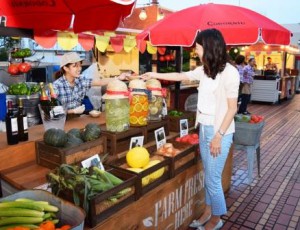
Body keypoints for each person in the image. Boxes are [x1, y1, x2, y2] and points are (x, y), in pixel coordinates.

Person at [141, 29, 240, 230]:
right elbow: (181, 75)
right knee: (208, 174)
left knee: (212, 178)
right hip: (204, 128)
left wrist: (218, 137)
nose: (195, 50)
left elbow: (232, 108)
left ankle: (216, 219)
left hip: (219, 131)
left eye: (198, 46)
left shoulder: (230, 72)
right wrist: (153, 74)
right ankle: (207, 211)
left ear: (209, 46)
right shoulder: (205, 70)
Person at [53, 52, 130, 115]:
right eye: (75, 66)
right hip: (61, 122)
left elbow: (100, 82)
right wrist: (73, 111)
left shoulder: (80, 80)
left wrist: (118, 78)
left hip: (77, 120)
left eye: (80, 65)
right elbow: (52, 112)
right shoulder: (56, 86)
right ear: (65, 68)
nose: (79, 68)